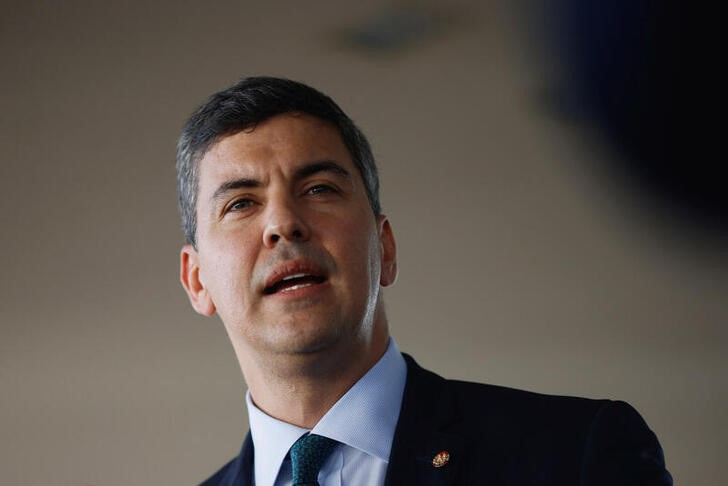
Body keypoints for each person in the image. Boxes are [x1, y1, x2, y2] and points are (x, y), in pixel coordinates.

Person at [176, 76, 672, 486]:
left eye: (319, 188)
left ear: (385, 248)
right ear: (196, 281)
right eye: (240, 203)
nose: (283, 223)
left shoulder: (577, 454)